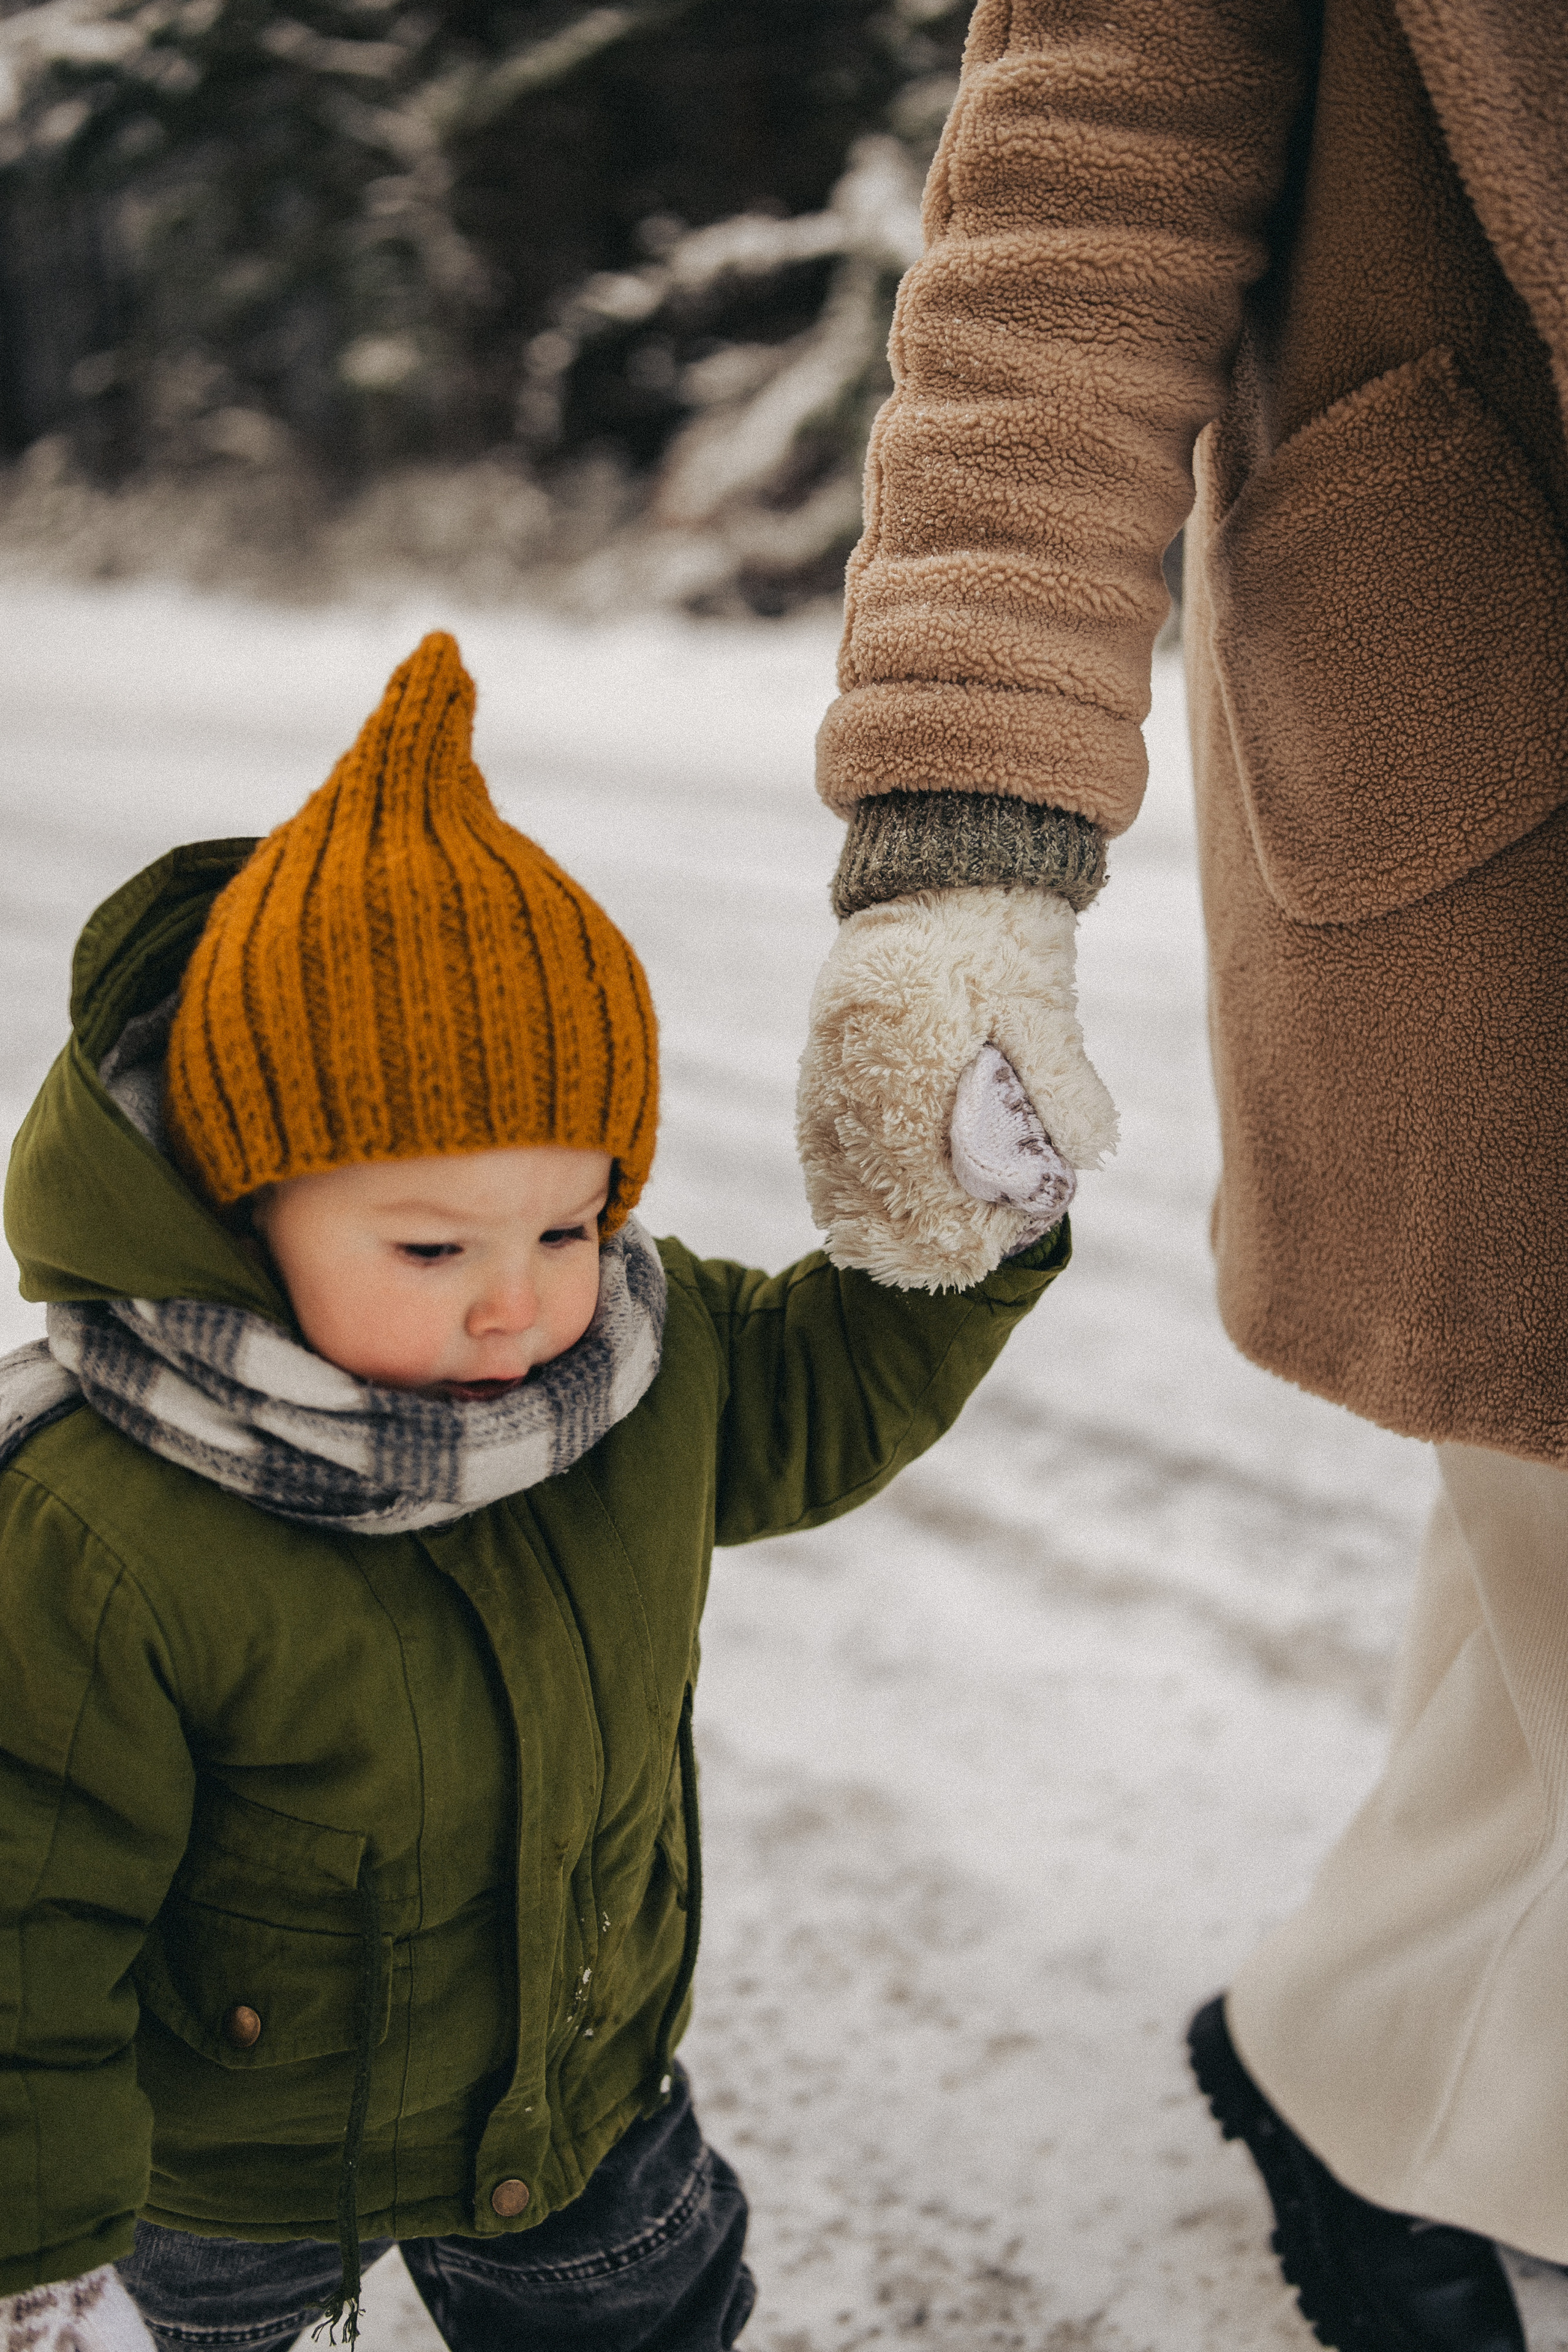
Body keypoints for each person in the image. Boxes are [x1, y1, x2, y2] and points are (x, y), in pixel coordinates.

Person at [0, 630, 1076, 2352]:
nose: (518, 1304)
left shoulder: (635, 1370)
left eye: (569, 1226)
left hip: (577, 2099)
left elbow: (816, 1397)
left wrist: (956, 1230)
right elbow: (28, 1895)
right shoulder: (105, 1524)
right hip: (231, 2170)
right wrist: (34, 2218)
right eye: (432, 1248)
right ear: (239, 1213)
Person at [793, 5, 1568, 2350]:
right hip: (1502, 713)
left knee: (1538, 1559)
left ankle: (1363, 2069)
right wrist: (967, 829)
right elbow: (1082, 182)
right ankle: (1386, 2101)